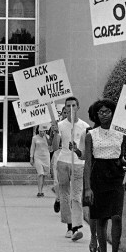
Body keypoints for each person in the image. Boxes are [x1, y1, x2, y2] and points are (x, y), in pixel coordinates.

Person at [82, 99, 126, 252]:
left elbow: (122, 159)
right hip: (98, 176)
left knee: (117, 216)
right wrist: (87, 187)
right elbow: (88, 162)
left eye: (107, 111)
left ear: (113, 113)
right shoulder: (91, 134)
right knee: (101, 218)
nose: (104, 115)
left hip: (116, 177)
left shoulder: (121, 134)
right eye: (100, 112)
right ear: (96, 115)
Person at [49, 97, 88, 241]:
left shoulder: (85, 126)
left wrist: (78, 151)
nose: (70, 108)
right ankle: (69, 226)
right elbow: (54, 147)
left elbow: (86, 149)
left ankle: (77, 226)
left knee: (76, 195)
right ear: (64, 108)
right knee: (64, 194)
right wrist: (54, 133)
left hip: (78, 163)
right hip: (63, 162)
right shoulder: (60, 125)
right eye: (68, 106)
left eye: (73, 105)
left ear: (78, 107)